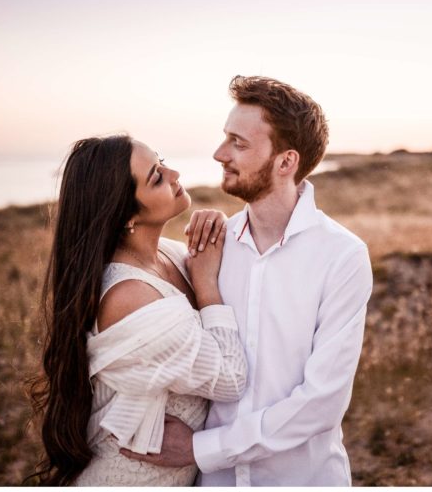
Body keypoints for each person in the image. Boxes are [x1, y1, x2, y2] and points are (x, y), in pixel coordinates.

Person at [121, 76, 374, 485]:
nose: (220, 153)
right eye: (225, 138)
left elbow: (322, 403)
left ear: (285, 162)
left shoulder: (341, 257)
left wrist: (202, 449)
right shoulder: (208, 250)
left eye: (238, 143)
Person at [27, 134, 247, 486]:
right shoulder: (129, 298)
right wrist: (206, 288)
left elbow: (210, 255)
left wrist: (217, 223)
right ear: (126, 214)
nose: (175, 174)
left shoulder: (168, 256)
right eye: (157, 177)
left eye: (162, 161)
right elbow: (231, 379)